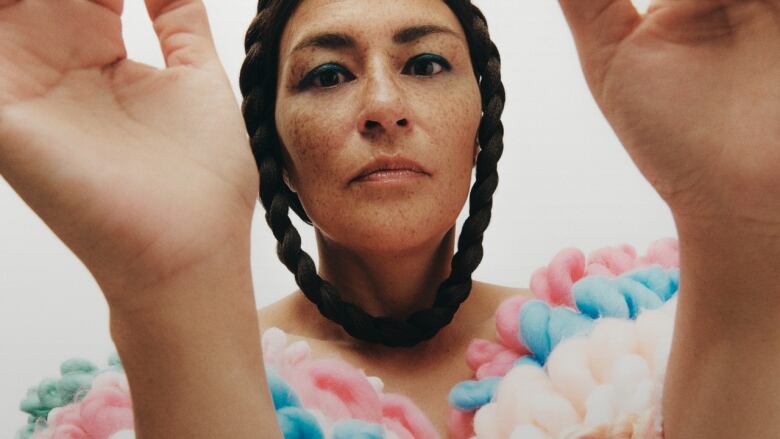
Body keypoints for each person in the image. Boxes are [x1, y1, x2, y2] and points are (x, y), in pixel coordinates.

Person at [1, 0, 779, 438]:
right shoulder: (129, 409)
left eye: (426, 63)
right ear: (275, 153)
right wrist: (170, 291)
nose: (381, 106)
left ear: (482, 121)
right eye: (329, 74)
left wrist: (743, 238)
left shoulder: (649, 342)